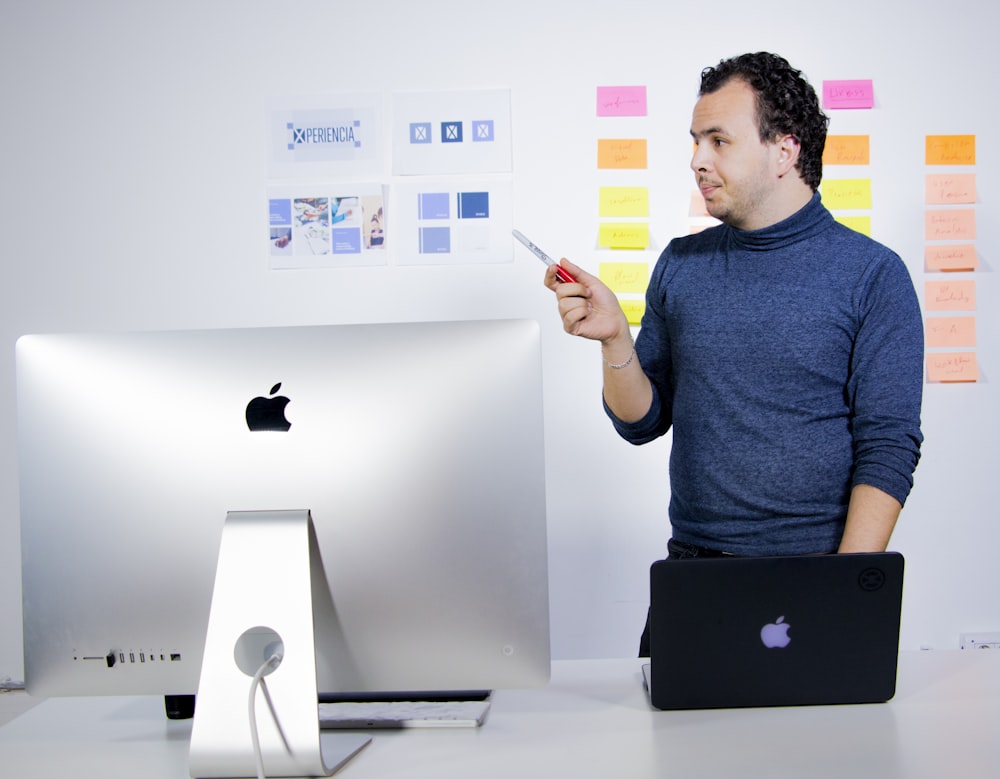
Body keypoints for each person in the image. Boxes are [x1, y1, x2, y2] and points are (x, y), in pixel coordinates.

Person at [544, 52, 924, 656]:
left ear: (785, 151)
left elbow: (888, 445)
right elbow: (641, 422)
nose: (698, 160)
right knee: (668, 748)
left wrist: (847, 589)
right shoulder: (682, 263)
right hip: (693, 572)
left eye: (719, 140)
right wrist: (615, 338)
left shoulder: (873, 275)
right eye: (696, 141)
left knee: (828, 753)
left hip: (819, 570)